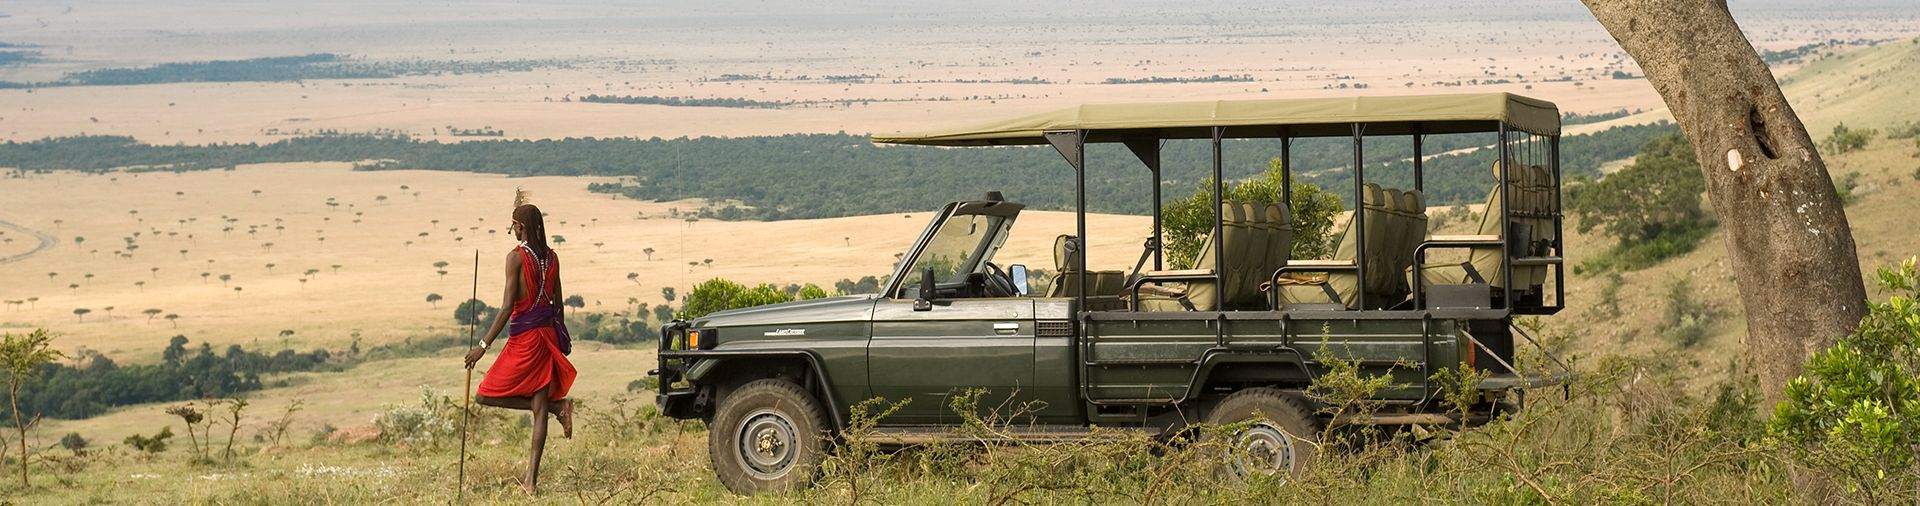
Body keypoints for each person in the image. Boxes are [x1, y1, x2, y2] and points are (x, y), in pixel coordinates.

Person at [464, 195, 576, 494]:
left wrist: (483, 346)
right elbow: (559, 303)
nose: (512, 231)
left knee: (484, 395)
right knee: (539, 409)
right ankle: (555, 410)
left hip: (525, 339)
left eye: (512, 226)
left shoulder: (515, 257)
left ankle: (532, 478)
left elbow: (505, 308)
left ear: (520, 227)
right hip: (547, 335)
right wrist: (559, 336)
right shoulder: (552, 257)